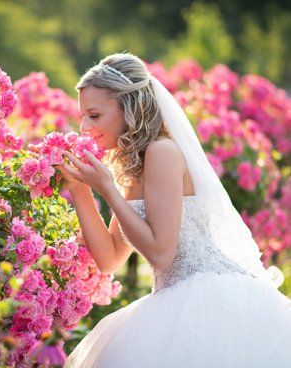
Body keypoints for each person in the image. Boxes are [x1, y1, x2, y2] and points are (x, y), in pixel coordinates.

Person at [60, 53, 291, 367]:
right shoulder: (134, 165)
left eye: (94, 115)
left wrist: (108, 190)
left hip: (210, 301)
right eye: (83, 116)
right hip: (171, 297)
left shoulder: (162, 151)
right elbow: (110, 258)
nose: (84, 127)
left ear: (129, 106)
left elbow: (161, 254)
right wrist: (79, 188)